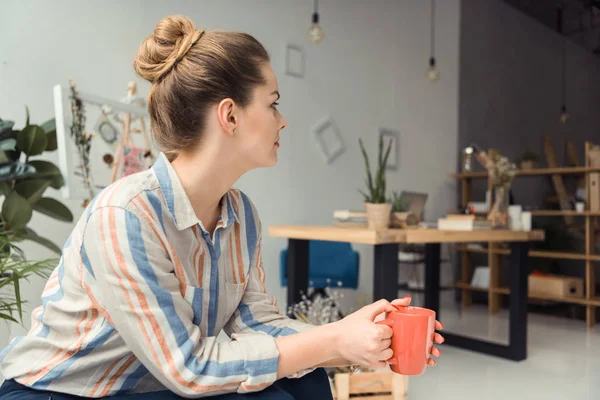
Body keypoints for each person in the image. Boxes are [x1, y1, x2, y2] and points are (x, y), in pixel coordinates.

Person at [0, 15, 444, 399]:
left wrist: (366, 337)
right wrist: (335, 341)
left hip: (149, 389)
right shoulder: (125, 216)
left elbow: (260, 325)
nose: (282, 119)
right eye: (272, 104)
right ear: (229, 116)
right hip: (61, 391)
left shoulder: (241, 215)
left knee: (305, 386)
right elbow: (190, 369)